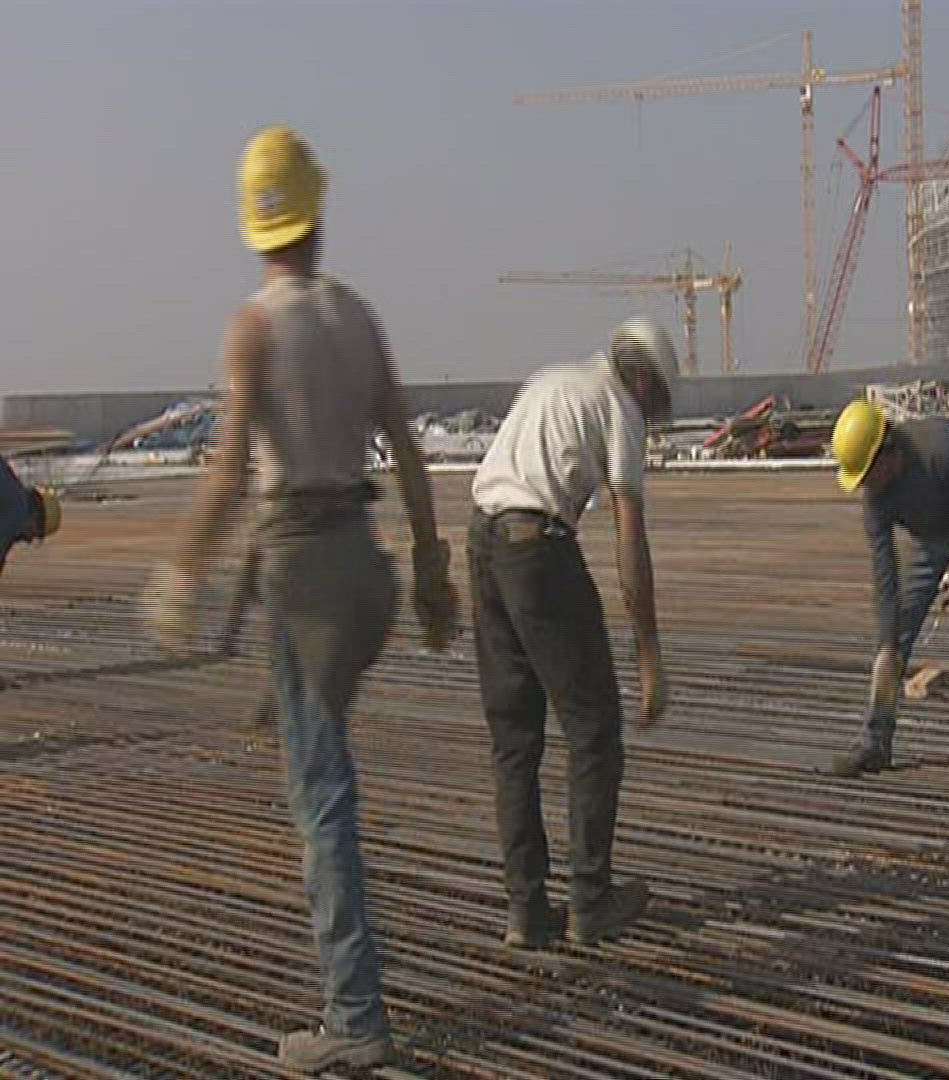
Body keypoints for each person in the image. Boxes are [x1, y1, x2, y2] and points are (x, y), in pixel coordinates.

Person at [144, 126, 457, 1073]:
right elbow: (407, 449)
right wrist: (436, 573)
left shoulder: (253, 327)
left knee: (321, 793)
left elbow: (233, 473)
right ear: (319, 210)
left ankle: (355, 1019)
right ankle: (274, 704)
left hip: (304, 570)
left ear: (253, 225)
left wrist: (179, 573)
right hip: (367, 568)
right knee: (312, 733)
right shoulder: (356, 316)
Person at [467, 315, 674, 950]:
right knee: (593, 726)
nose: (653, 415)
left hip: (481, 538)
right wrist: (649, 658)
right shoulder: (619, 408)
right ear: (643, 380)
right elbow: (629, 538)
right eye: (657, 402)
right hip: (537, 548)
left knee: (514, 742)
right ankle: (590, 900)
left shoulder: (558, 384)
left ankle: (526, 912)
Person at [826, 399, 949, 796]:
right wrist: (887, 642)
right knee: (894, 640)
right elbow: (884, 573)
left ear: (887, 452)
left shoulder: (938, 449)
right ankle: (876, 741)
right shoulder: (875, 496)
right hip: (927, 540)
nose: (867, 486)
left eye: (869, 475)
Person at [0, 456, 60, 573]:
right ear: (37, 518)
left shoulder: (11, 486)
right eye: (35, 533)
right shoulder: (17, 513)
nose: (28, 539)